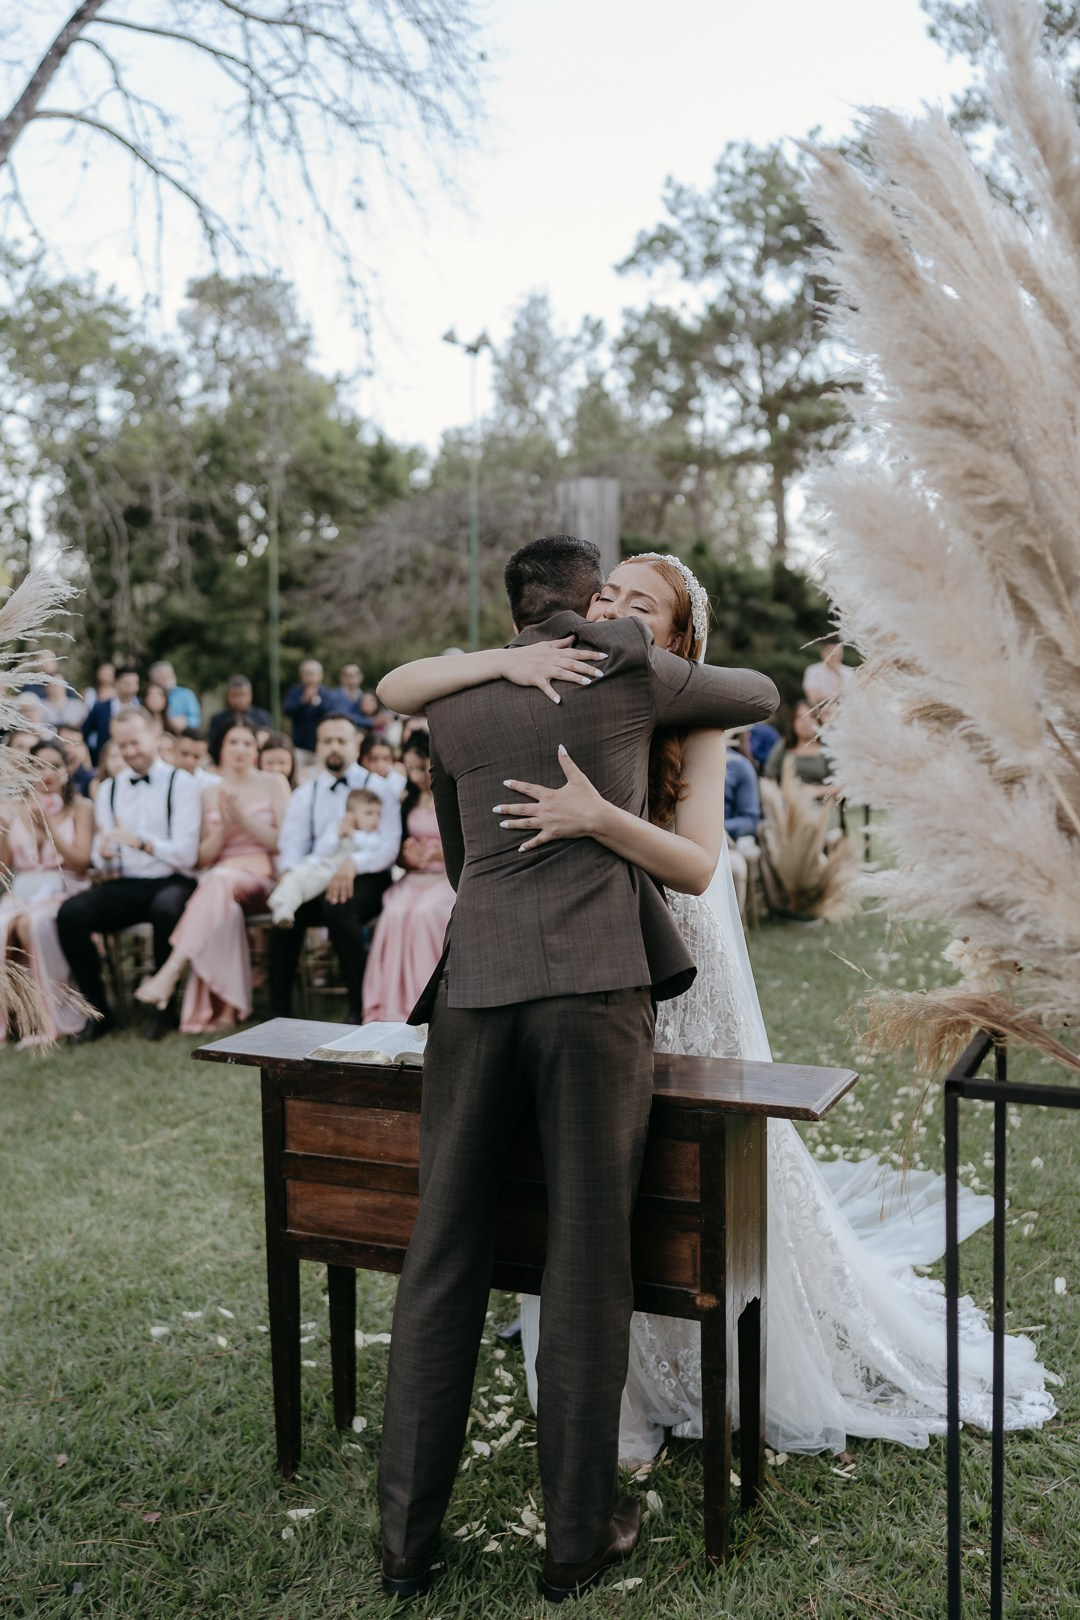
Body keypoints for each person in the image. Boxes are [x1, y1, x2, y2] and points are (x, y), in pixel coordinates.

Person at [397, 552, 1056, 1473]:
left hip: (673, 942)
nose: (613, 609)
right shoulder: (557, 680)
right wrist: (501, 663)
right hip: (583, 963)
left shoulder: (691, 705)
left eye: (640, 605)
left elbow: (699, 862)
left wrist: (596, 818)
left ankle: (703, 1347)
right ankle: (610, 1390)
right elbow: (415, 697)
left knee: (682, 1162)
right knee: (587, 1181)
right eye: (605, 595)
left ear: (675, 642)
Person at [373, 536, 778, 1602]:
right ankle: (575, 1542)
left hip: (476, 987)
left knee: (443, 1253)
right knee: (587, 1257)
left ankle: (404, 1546)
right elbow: (766, 689)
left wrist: (493, 665)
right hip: (597, 994)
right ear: (583, 602)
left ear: (512, 617)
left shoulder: (455, 701)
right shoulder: (628, 668)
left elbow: (464, 861)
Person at [134, 719, 290, 1032]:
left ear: (256, 751)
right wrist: (225, 831)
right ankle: (228, 1011)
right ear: (221, 748)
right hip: (220, 879)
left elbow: (284, 841)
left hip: (260, 878)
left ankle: (171, 971)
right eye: (234, 742)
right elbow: (201, 857)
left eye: (248, 743)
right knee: (222, 899)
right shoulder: (208, 793)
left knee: (216, 880)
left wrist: (242, 819)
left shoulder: (273, 783)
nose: (241, 749)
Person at [56, 707, 202, 1041]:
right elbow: (101, 853)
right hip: (126, 883)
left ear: (154, 736)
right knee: (70, 914)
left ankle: (164, 1010)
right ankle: (98, 1010)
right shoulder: (108, 789)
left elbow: (188, 854)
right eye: (122, 746)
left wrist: (144, 844)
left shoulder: (182, 784)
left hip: (173, 880)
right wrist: (103, 853)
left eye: (134, 743)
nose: (129, 752)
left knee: (165, 909)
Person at [268, 715, 402, 1026]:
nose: (334, 747)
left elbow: (388, 848)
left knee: (338, 907)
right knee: (284, 908)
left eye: (341, 740)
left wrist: (353, 864)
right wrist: (291, 873)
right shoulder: (306, 793)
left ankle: (358, 1005)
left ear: (356, 745)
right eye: (327, 740)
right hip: (320, 871)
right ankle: (278, 1009)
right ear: (317, 746)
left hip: (369, 874)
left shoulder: (380, 789)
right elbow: (292, 845)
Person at [0, 739, 94, 1047]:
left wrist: (48, 829)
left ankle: (46, 1016)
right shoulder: (15, 808)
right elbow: (4, 868)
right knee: (3, 925)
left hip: (66, 887)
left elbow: (81, 863)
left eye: (55, 765)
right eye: (39, 765)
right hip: (23, 891)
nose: (47, 772)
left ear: (69, 769)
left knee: (33, 924)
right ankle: (13, 1014)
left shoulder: (81, 808)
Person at [361, 732, 456, 1024]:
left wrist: (441, 855)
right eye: (411, 768)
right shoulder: (406, 800)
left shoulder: (453, 795)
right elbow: (397, 849)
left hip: (447, 877)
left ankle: (430, 1002)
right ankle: (393, 1004)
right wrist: (408, 857)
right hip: (414, 877)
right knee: (396, 912)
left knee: (425, 914)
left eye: (421, 767)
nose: (416, 775)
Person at [267, 786, 383, 926]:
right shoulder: (336, 828)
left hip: (332, 871)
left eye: (378, 814)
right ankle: (282, 907)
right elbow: (321, 850)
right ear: (351, 815)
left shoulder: (371, 836)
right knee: (295, 876)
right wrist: (338, 835)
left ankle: (285, 906)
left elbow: (375, 848)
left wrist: (353, 834)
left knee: (309, 885)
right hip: (317, 863)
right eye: (369, 813)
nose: (376, 818)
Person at [764, 697, 837, 796]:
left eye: (811, 717)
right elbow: (769, 776)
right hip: (788, 803)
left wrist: (816, 791)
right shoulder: (784, 745)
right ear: (793, 722)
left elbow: (840, 785)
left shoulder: (828, 747)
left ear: (818, 721)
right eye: (800, 717)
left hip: (820, 805)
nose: (805, 722)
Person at [283, 658, 342, 770]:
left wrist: (318, 702)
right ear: (301, 676)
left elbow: (332, 714)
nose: (310, 677)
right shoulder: (295, 692)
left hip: (321, 745)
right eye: (307, 674)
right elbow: (288, 711)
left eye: (313, 674)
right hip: (299, 746)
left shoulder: (327, 694)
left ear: (321, 675)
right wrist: (303, 702)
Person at [83, 665, 140, 765]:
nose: (131, 687)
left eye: (135, 683)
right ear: (117, 683)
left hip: (135, 759)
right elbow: (85, 732)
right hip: (105, 761)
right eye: (127, 683)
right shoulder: (101, 708)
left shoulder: (142, 707)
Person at [206, 676, 272, 756]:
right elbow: (212, 744)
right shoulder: (217, 719)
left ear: (250, 695)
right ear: (227, 696)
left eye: (243, 694)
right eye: (235, 695)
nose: (240, 699)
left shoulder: (261, 716)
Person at [802, 633, 850, 715]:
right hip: (819, 711)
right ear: (823, 653)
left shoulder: (848, 672)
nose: (834, 656)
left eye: (837, 653)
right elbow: (811, 694)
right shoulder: (813, 670)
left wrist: (837, 673)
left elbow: (848, 695)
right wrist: (833, 699)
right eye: (830, 652)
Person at [149, 660, 201, 733]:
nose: (168, 679)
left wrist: (185, 723)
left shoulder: (185, 694)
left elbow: (195, 719)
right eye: (163, 677)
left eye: (170, 675)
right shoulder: (150, 695)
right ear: (154, 680)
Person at [57, 726, 96, 797]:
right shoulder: (49, 773)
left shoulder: (91, 779)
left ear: (82, 747)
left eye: (75, 744)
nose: (69, 748)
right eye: (65, 742)